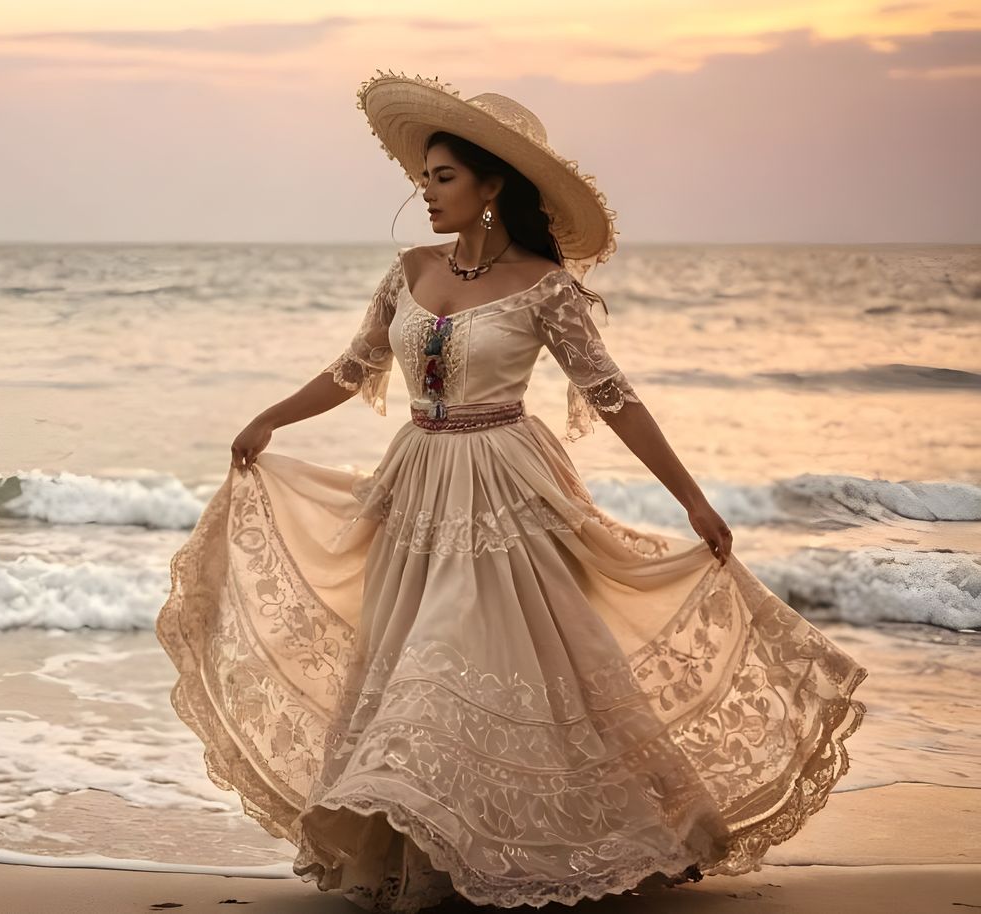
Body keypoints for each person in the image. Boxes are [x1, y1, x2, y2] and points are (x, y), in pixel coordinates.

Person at [154, 72, 869, 912]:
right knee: (411, 665)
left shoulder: (545, 287)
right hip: (415, 485)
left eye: (443, 177)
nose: (425, 192)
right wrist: (268, 420)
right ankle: (427, 852)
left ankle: (585, 839)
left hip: (507, 489)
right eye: (421, 177)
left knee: (473, 665)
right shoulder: (409, 271)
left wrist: (693, 501)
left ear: (493, 186)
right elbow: (353, 371)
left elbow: (615, 398)